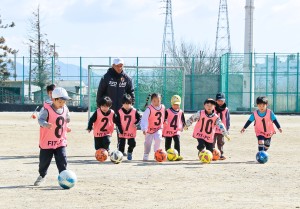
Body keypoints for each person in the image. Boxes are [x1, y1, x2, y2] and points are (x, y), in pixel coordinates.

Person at [34, 87, 71, 186]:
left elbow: (65, 118)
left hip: (60, 141)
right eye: (60, 101)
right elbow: (40, 120)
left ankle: (64, 176)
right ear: (54, 99)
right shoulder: (46, 109)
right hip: (47, 142)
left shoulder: (65, 108)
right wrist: (45, 124)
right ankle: (42, 175)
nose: (63, 104)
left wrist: (67, 125)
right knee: (44, 162)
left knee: (62, 159)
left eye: (64, 102)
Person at [96, 58, 135, 153]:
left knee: (121, 129)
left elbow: (131, 92)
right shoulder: (106, 77)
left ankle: (120, 149)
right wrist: (99, 105)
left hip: (122, 109)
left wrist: (131, 104)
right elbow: (100, 92)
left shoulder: (127, 78)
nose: (119, 67)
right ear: (113, 66)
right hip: (108, 109)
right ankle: (104, 148)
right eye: (117, 65)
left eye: (121, 65)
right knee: (106, 129)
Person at [115, 94, 141, 160]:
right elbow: (117, 121)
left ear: (131, 103)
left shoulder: (134, 111)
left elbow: (139, 119)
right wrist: (120, 129)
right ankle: (119, 156)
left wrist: (136, 123)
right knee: (121, 145)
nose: (127, 105)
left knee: (132, 144)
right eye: (125, 103)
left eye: (129, 103)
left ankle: (129, 152)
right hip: (122, 132)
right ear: (122, 104)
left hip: (131, 131)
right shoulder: (119, 112)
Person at [140, 93, 165, 161]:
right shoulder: (149, 109)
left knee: (158, 138)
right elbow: (144, 119)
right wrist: (144, 128)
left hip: (158, 127)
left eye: (158, 101)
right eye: (154, 101)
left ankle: (156, 153)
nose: (156, 103)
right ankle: (146, 154)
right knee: (148, 143)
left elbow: (163, 116)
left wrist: (165, 122)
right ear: (151, 101)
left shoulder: (163, 107)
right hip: (149, 129)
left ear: (161, 100)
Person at [163, 95, 185, 161]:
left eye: (178, 105)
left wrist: (184, 126)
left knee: (177, 141)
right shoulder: (167, 111)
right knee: (168, 143)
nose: (176, 106)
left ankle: (177, 155)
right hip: (168, 130)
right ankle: (168, 155)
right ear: (172, 104)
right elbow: (164, 118)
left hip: (176, 130)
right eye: (175, 104)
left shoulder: (181, 112)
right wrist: (165, 121)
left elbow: (183, 120)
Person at [214, 92, 230, 160]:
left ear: (224, 101)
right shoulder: (213, 108)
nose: (220, 102)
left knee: (221, 142)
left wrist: (227, 129)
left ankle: (220, 154)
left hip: (221, 129)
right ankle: (212, 154)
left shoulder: (226, 109)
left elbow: (227, 120)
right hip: (213, 129)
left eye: (222, 101)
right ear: (216, 101)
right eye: (219, 100)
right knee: (212, 142)